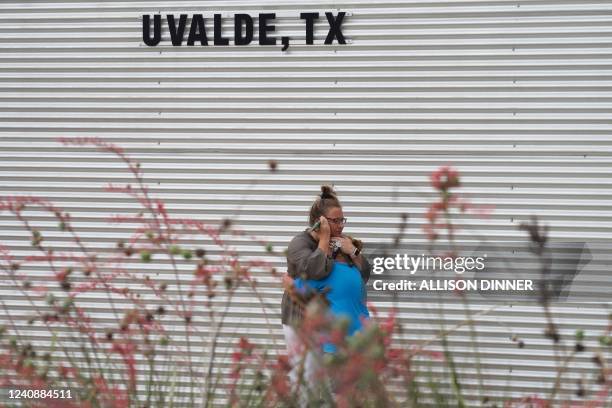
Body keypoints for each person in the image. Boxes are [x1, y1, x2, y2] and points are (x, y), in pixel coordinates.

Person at [280, 185, 371, 398]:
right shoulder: (299, 243)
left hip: (328, 322)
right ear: (320, 221)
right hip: (301, 321)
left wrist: (353, 251)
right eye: (335, 221)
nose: (340, 225)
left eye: (342, 220)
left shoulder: (341, 242)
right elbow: (316, 270)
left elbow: (363, 275)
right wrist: (323, 240)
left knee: (333, 382)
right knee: (306, 381)